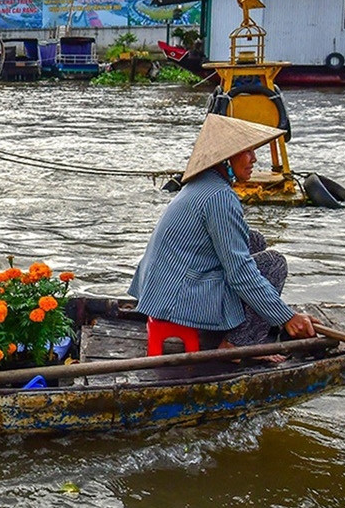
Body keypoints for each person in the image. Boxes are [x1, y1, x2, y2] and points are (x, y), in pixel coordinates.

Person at [128, 113, 315, 358]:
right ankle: (237, 346)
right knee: (274, 264)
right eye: (247, 152)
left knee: (254, 240)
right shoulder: (219, 197)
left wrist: (277, 312)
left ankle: (247, 326)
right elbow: (240, 274)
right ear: (226, 158)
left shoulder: (201, 184)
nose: (254, 159)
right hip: (178, 297)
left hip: (163, 290)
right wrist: (286, 316)